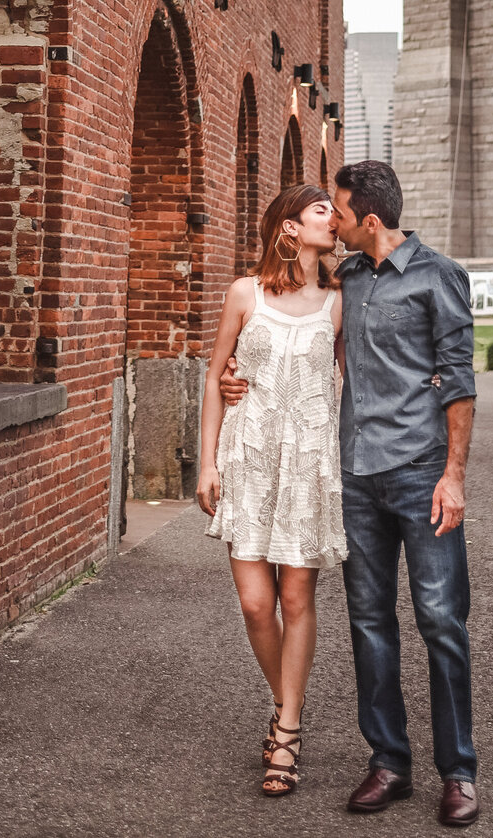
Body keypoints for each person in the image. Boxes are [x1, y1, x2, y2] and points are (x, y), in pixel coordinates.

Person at [222, 159, 480, 827]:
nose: (329, 221)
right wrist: (236, 383)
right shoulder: (349, 280)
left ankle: (458, 771)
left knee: (441, 623)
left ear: (367, 219)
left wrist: (454, 474)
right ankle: (389, 763)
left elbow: (459, 381)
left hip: (422, 474)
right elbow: (285, 344)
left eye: (335, 211)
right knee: (370, 625)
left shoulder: (438, 276)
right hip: (355, 478)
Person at [197, 182, 346, 797]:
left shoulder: (339, 301)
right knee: (257, 603)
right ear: (288, 227)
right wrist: (206, 464)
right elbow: (215, 378)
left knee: (296, 596)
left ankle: (286, 727)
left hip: (308, 461)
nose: (333, 221)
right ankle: (287, 702)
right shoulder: (243, 293)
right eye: (321, 213)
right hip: (249, 457)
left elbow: (352, 377)